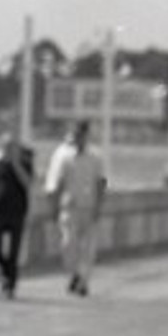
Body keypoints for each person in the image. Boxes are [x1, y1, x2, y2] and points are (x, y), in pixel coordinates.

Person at [45, 121, 107, 296]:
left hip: (89, 206)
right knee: (68, 245)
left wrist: (99, 206)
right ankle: (74, 274)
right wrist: (54, 206)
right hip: (69, 207)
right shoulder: (65, 157)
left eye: (81, 135)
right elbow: (58, 182)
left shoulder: (96, 157)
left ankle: (83, 281)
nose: (78, 138)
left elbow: (101, 182)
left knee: (88, 248)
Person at [0, 132, 35, 298]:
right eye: (6, 147)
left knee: (14, 251)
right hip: (0, 211)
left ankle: (11, 284)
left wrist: (16, 164)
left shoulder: (25, 164)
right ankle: (6, 272)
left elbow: (28, 183)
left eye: (12, 147)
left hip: (18, 212)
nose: (9, 150)